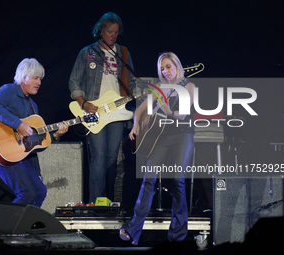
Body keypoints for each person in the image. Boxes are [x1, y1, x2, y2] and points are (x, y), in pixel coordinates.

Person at [119, 52, 195, 245]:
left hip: (182, 136)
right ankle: (133, 229)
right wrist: (136, 125)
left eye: (168, 66)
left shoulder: (189, 86)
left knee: (178, 181)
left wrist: (168, 111)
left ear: (177, 66)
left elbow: (183, 115)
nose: (165, 71)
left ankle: (177, 235)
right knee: (148, 179)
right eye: (162, 68)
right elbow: (139, 110)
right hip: (161, 138)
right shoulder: (161, 89)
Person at [0, 58, 68, 208]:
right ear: (23, 77)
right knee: (27, 193)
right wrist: (18, 124)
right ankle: (1, 227)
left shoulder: (33, 106)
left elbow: (35, 141)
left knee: (39, 192)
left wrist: (56, 136)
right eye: (35, 78)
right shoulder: (9, 90)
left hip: (18, 155)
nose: (39, 82)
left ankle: (24, 228)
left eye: (40, 79)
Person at [68, 12, 136, 203]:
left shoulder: (123, 54)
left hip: (117, 112)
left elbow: (131, 83)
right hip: (95, 111)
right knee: (98, 158)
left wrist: (143, 90)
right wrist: (83, 102)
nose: (113, 35)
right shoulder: (87, 52)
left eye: (116, 32)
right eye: (109, 31)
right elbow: (73, 81)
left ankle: (107, 201)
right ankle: (94, 202)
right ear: (100, 31)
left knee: (112, 158)